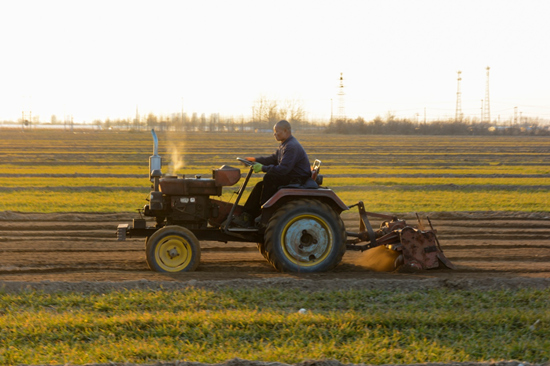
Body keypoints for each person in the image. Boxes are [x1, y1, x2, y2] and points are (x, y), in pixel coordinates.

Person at [233, 120, 311, 227]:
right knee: (260, 185)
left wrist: (263, 168)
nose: (274, 134)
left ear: (285, 131)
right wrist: (254, 160)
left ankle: (265, 213)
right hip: (291, 175)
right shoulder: (285, 145)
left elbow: (283, 169)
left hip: (297, 179)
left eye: (276, 131)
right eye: (274, 131)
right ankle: (247, 215)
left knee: (270, 178)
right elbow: (273, 159)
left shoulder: (291, 146)